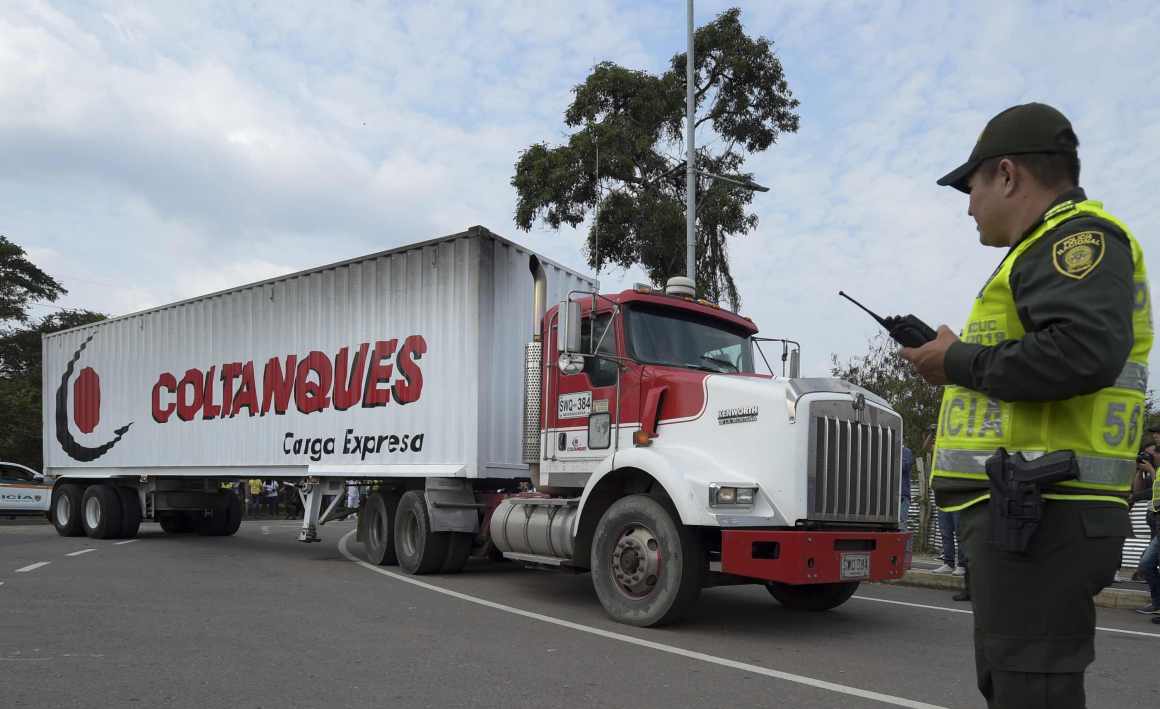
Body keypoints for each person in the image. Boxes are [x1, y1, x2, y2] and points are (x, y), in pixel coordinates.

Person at [901, 102, 1150, 708]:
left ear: (1007, 174)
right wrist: (955, 361)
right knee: (1016, 682)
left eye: (971, 185)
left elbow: (1080, 352)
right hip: (1032, 510)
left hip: (1046, 512)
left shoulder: (1075, 239)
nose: (966, 205)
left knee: (1030, 690)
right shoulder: (1040, 249)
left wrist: (956, 361)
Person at [1135, 444, 1160, 619]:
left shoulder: (1155, 471)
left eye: (1151, 455)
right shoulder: (1155, 471)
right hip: (1157, 524)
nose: (1149, 457)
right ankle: (1157, 602)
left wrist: (1150, 469)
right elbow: (1138, 491)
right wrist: (1139, 470)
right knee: (1146, 564)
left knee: (1147, 563)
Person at [900, 445, 913, 531]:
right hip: (885, 496)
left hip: (902, 496)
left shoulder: (906, 452)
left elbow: (903, 467)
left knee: (901, 525)